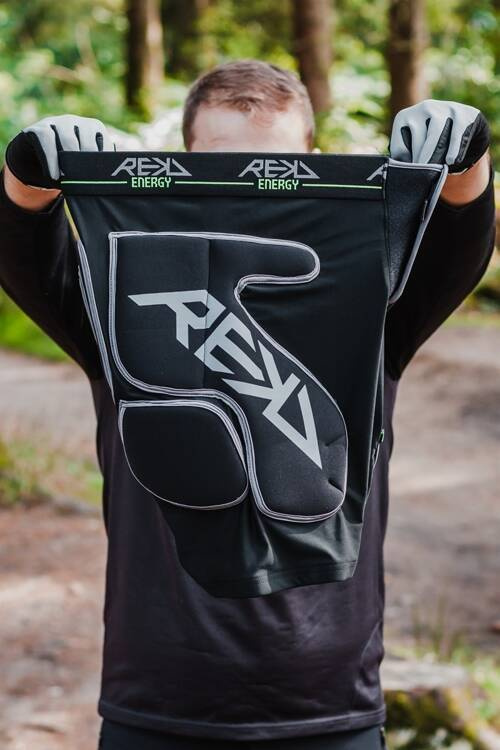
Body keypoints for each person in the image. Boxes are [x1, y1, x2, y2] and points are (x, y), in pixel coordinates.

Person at [0, 61, 495, 750]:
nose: (247, 188)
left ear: (313, 162)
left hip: (332, 709)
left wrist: (467, 157)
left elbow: (458, 237)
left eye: (275, 168)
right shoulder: (123, 295)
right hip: (156, 706)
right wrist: (30, 172)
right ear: (184, 162)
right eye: (222, 167)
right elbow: (25, 246)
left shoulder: (369, 301)